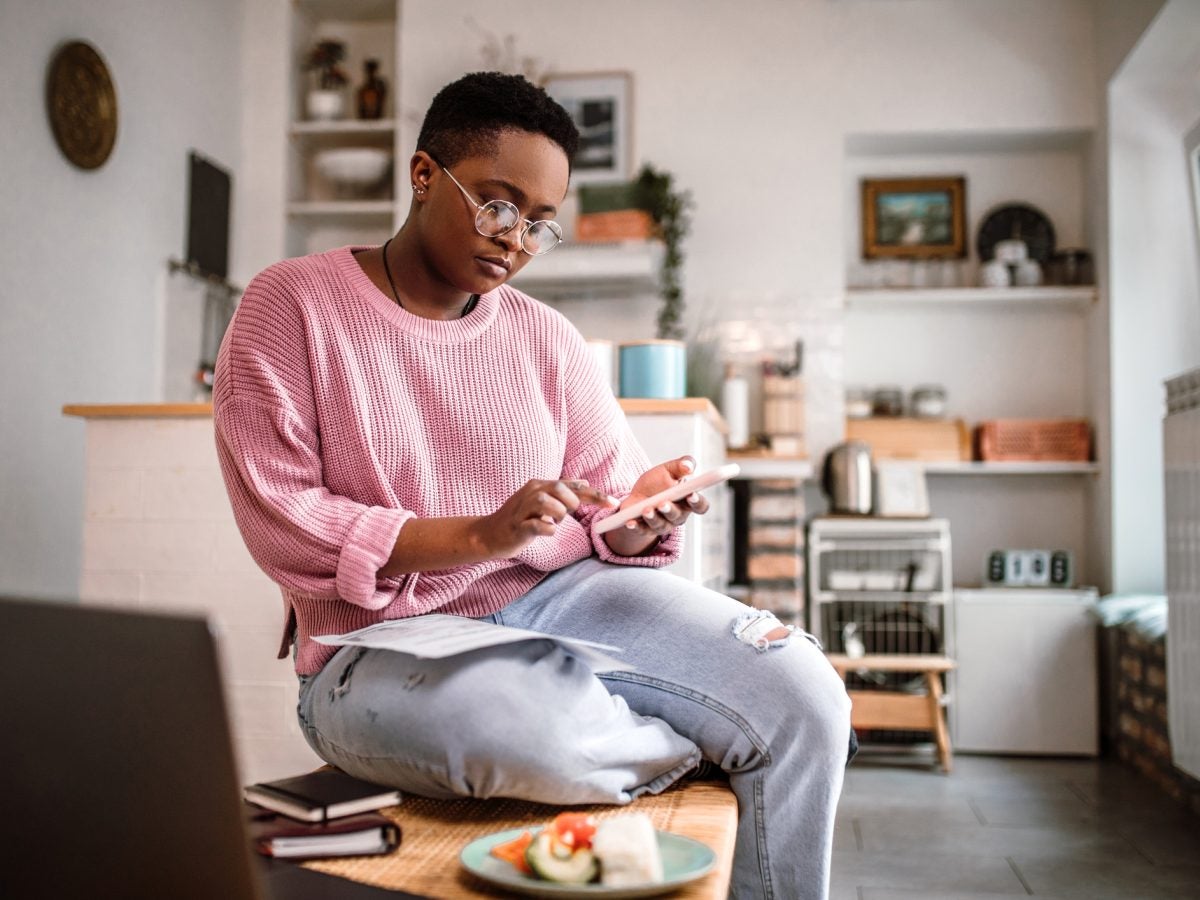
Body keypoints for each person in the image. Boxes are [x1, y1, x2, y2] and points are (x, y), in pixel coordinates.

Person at [214, 71, 851, 899]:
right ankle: (704, 738)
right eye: (498, 205)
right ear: (421, 175)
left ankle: (676, 735)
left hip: (563, 601)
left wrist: (637, 513)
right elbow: (284, 519)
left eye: (540, 224)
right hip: (375, 644)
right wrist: (478, 536)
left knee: (805, 698)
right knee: (514, 726)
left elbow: (607, 512)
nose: (515, 239)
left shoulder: (545, 335)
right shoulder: (291, 304)